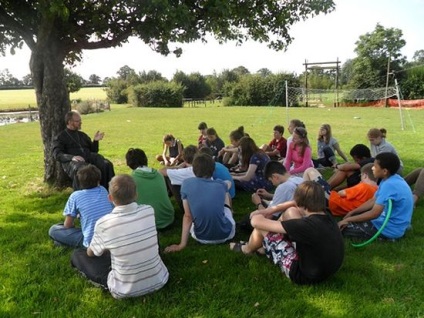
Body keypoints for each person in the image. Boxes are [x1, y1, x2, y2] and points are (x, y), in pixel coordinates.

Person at [71, 174, 169, 299]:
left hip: (124, 289)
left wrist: (97, 248)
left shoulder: (104, 223)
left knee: (78, 255)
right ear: (136, 194)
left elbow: (91, 253)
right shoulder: (148, 211)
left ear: (110, 198)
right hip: (160, 279)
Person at [230, 181, 344, 285]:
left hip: (303, 274)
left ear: (300, 202)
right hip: (325, 270)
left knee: (263, 227)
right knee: (290, 212)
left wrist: (259, 211)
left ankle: (247, 249)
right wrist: (270, 210)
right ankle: (264, 248)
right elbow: (294, 204)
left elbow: (257, 222)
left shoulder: (304, 226)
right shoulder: (327, 216)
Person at [164, 153, 236, 252]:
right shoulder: (220, 184)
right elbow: (228, 183)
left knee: (192, 213)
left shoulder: (186, 184)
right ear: (213, 170)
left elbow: (188, 216)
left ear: (193, 169)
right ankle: (230, 212)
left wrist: (181, 245)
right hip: (227, 234)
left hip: (200, 237)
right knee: (226, 195)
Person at [338, 152, 413, 240]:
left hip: (388, 229)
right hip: (392, 223)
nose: (372, 168)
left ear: (384, 171)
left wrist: (348, 220)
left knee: (341, 228)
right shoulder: (391, 179)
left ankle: (388, 237)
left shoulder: (389, 185)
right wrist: (353, 212)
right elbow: (373, 200)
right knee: (357, 217)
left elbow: (374, 213)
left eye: (375, 166)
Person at [48, 164, 113, 248]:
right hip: (110, 237)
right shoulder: (103, 190)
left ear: (79, 181)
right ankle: (64, 242)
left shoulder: (75, 196)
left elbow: (68, 225)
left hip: (91, 243)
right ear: (98, 180)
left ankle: (63, 242)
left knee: (54, 230)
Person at [52, 110, 115, 190]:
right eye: (78, 121)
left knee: (106, 164)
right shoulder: (60, 137)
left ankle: (108, 192)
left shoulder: (82, 135)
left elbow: (94, 150)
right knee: (85, 170)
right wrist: (72, 157)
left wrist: (95, 141)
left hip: (88, 157)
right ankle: (83, 197)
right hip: (73, 162)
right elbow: (57, 154)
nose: (80, 123)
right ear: (70, 122)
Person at [126, 148, 175, 230]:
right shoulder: (158, 174)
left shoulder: (131, 180)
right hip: (168, 218)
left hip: (149, 224)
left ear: (129, 163)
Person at [303, 163, 378, 217]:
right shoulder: (377, 190)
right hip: (339, 210)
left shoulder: (363, 186)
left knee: (310, 170)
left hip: (331, 200)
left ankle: (302, 201)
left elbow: (342, 193)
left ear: (364, 175)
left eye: (360, 176)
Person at [159, 145, 198, 211]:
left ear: (184, 159)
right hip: (203, 201)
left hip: (191, 208)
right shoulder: (204, 166)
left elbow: (160, 171)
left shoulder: (185, 172)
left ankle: (167, 197)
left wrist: (177, 167)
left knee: (168, 177)